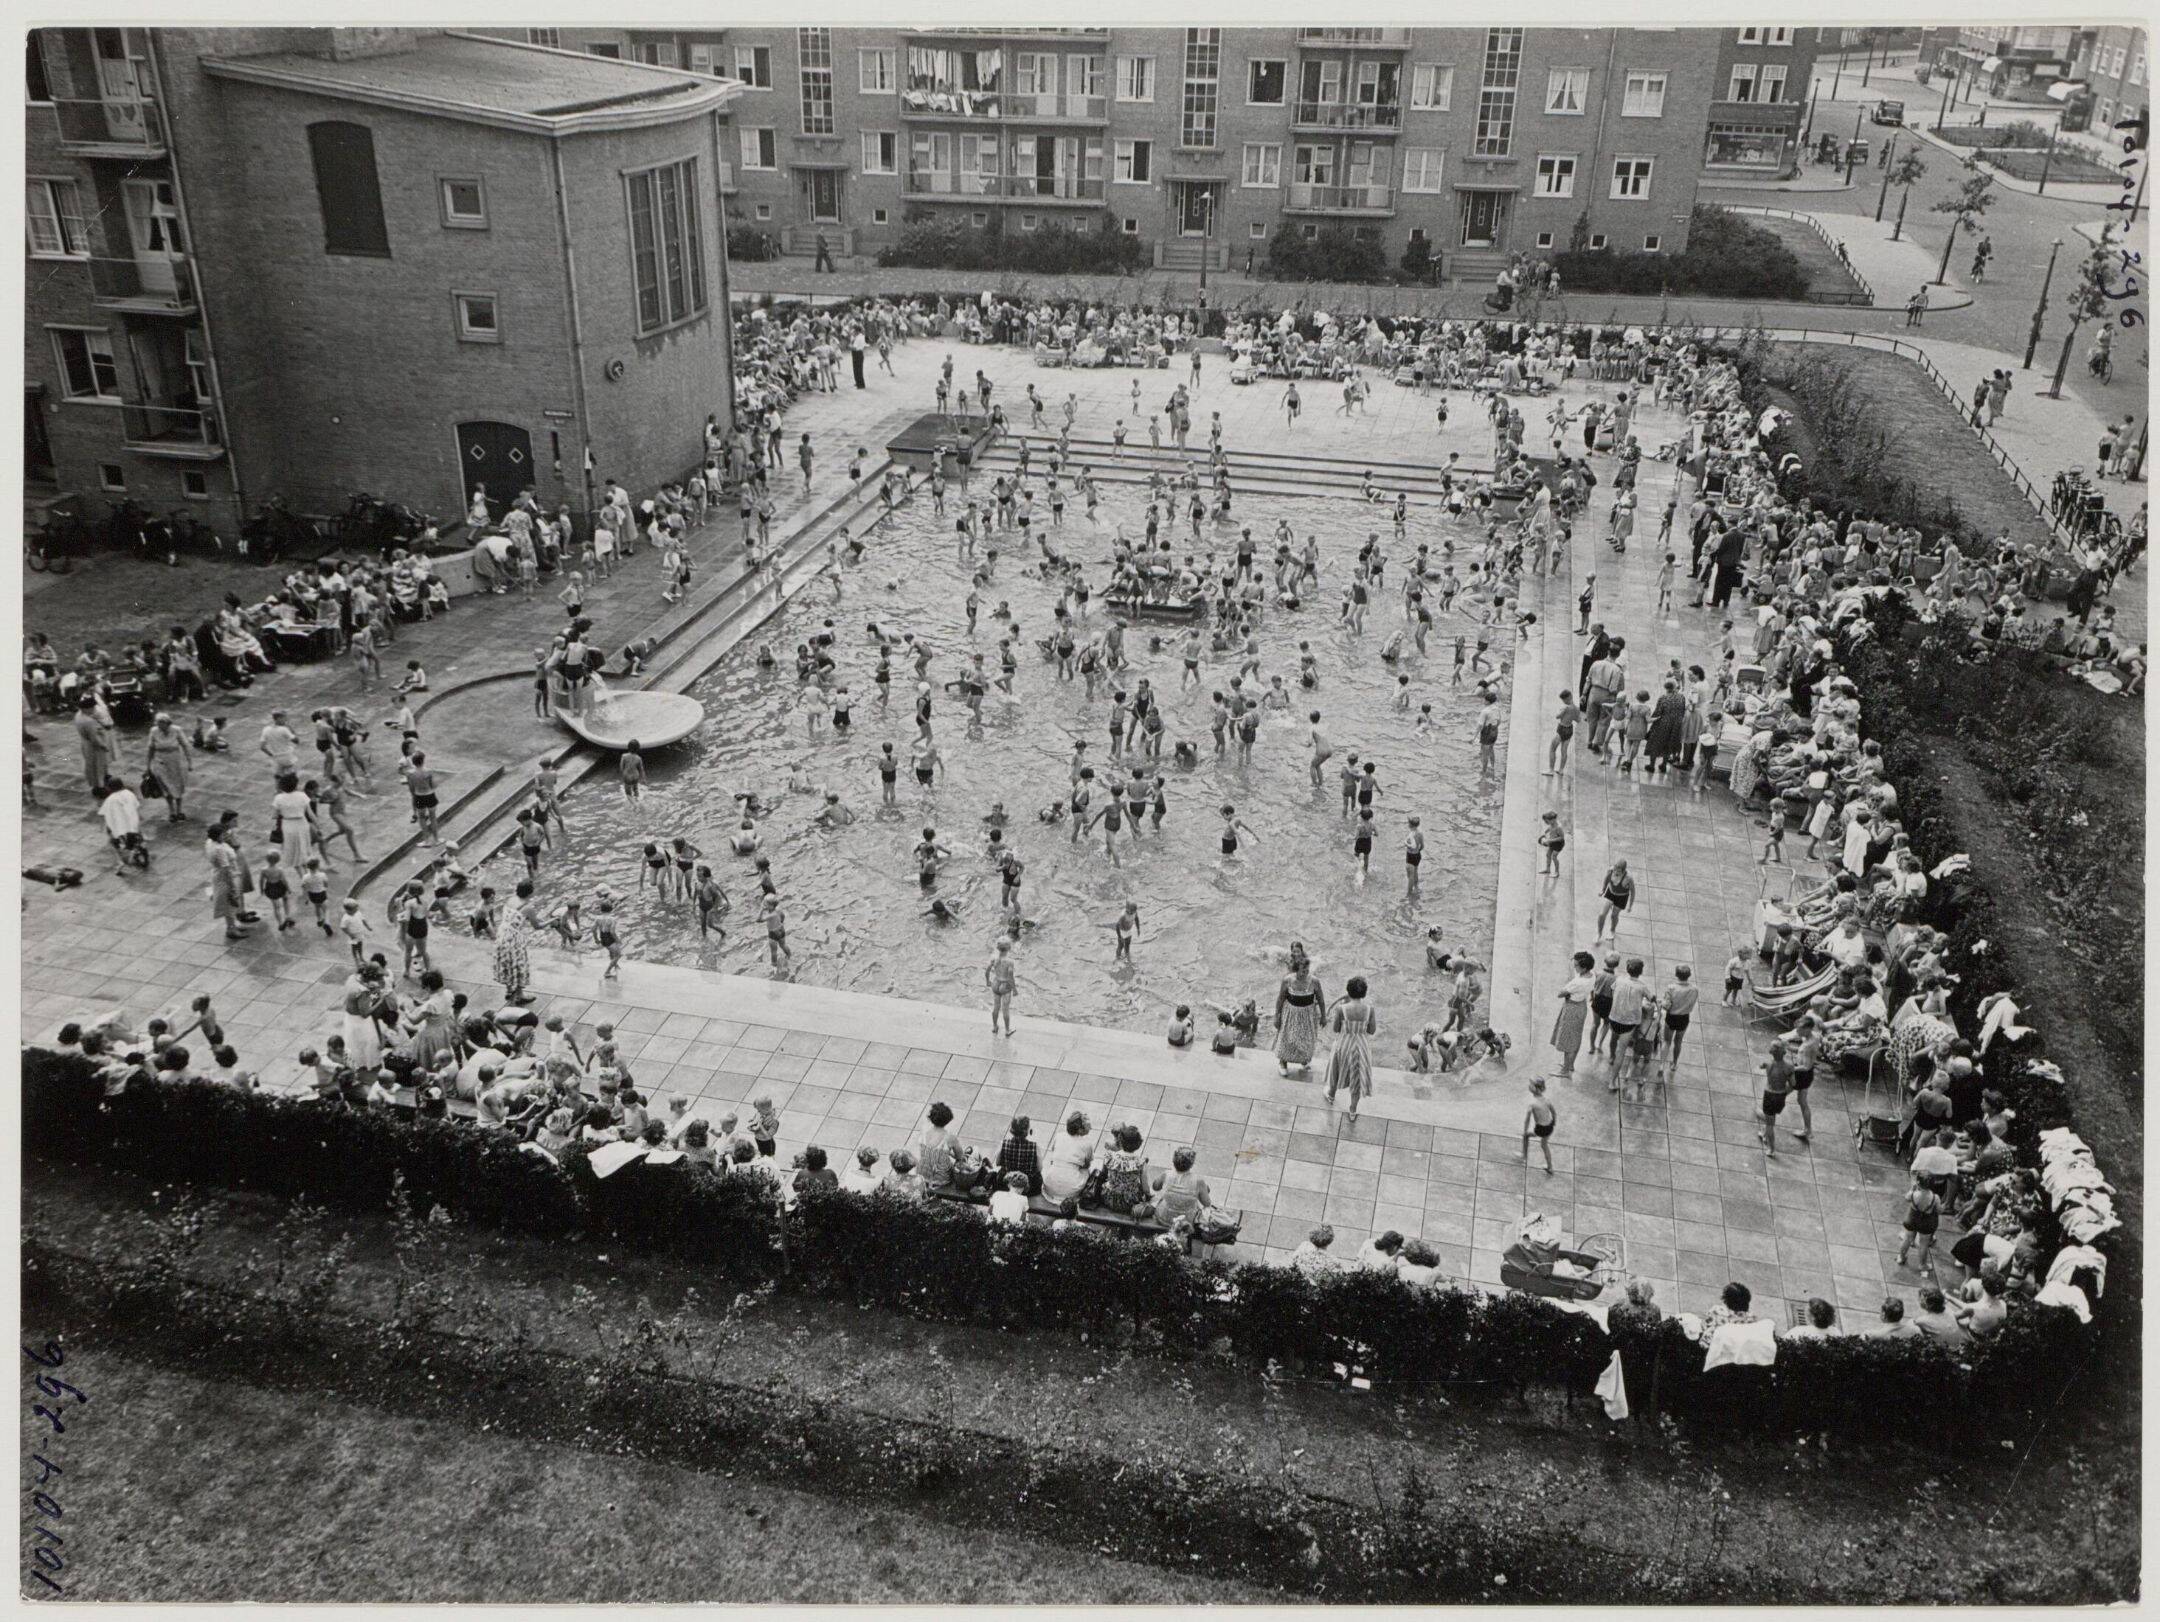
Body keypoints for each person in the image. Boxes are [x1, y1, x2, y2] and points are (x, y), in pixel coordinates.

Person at [1323, 975, 1376, 1121]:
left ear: (1348, 991)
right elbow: (1372, 1030)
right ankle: (1352, 1110)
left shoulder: (1341, 1009)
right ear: (1364, 993)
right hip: (1361, 1046)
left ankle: (1331, 1095)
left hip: (1344, 1044)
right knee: (1357, 1077)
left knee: (1336, 1070)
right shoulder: (1370, 1010)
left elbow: (1336, 1029)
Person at [1273, 942, 1326, 1076]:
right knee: (1288, 1038)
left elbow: (1320, 999)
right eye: (1303, 971)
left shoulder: (1314, 981)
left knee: (1306, 1039)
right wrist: (1277, 1016)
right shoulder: (1287, 980)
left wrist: (1324, 1016)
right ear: (1296, 970)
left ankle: (1303, 1060)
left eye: (1307, 970)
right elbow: (1280, 999)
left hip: (1308, 1014)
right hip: (1291, 1013)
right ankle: (1283, 1062)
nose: (1306, 973)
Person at [1550, 950, 1595, 1078]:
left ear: (1584, 967)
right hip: (1581, 1006)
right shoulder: (1591, 976)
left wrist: (1568, 991)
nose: (1574, 967)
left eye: (1576, 965)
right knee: (1576, 1037)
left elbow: (1560, 993)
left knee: (1567, 1039)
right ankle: (1570, 1064)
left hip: (1572, 1008)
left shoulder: (1578, 982)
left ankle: (1564, 1070)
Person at [1521, 1077, 1557, 1173]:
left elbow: (1527, 1120)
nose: (1529, 1086)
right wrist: (1553, 1123)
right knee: (1544, 1145)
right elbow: (1554, 1113)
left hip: (1540, 1129)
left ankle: (1524, 1156)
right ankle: (1550, 1167)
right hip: (1549, 1127)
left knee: (1526, 1136)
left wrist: (1524, 1131)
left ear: (1536, 1089)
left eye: (1531, 1085)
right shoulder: (1547, 1100)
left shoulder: (1532, 1103)